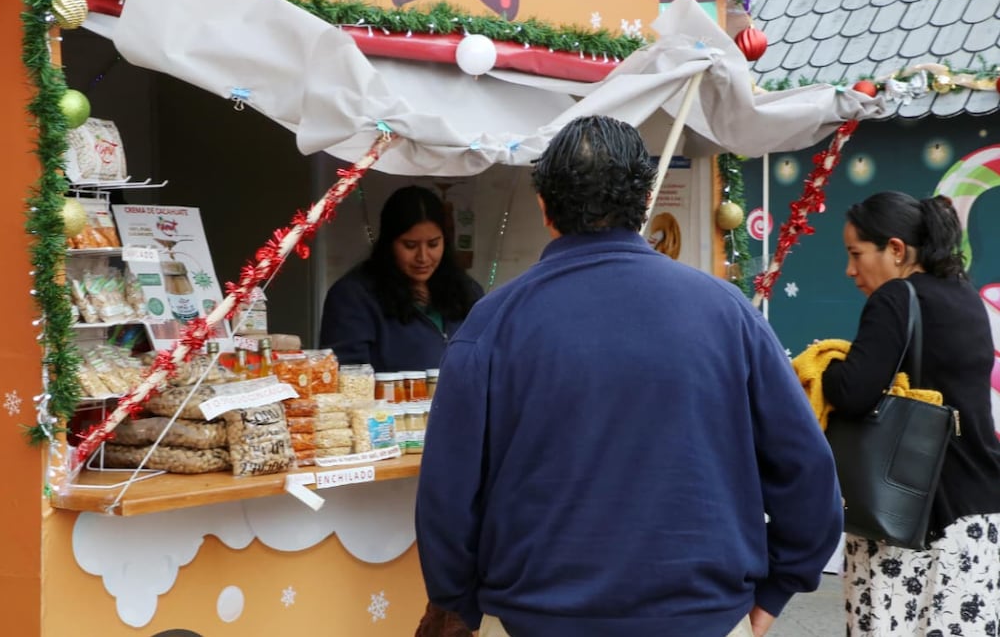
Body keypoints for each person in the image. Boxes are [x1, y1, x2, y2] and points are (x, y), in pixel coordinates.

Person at [415, 115, 844, 637]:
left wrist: (460, 599)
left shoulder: (494, 323)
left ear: (544, 206)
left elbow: (447, 495)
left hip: (537, 617)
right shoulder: (726, 312)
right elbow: (806, 470)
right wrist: (779, 587)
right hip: (703, 615)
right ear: (646, 203)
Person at [822, 191, 1000, 636]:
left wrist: (823, 364)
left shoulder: (896, 297)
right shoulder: (964, 296)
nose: (850, 270)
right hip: (976, 517)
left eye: (856, 253)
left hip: (907, 521)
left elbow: (853, 393)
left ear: (896, 250)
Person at [318, 185, 483, 372]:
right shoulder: (353, 296)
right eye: (410, 245)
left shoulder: (467, 290)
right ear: (389, 243)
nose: (423, 257)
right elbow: (348, 376)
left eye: (433, 244)